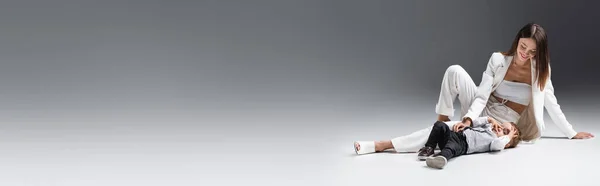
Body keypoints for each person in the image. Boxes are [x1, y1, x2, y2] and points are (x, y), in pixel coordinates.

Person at [353, 23, 593, 156]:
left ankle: (382, 144)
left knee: (450, 130)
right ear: (517, 40)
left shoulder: (541, 70)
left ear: (538, 53)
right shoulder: (498, 60)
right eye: (523, 47)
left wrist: (571, 133)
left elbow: (550, 101)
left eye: (532, 52)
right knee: (454, 70)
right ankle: (443, 122)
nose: (525, 54)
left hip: (503, 123)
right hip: (482, 109)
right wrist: (468, 118)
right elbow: (481, 95)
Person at [418, 117, 520, 169]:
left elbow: (499, 144)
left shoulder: (495, 142)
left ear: (506, 143)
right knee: (439, 125)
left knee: (451, 148)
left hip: (463, 145)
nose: (499, 128)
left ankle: (440, 158)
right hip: (455, 134)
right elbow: (475, 122)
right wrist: (490, 119)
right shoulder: (488, 127)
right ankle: (429, 148)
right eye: (501, 125)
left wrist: (509, 136)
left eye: (504, 131)